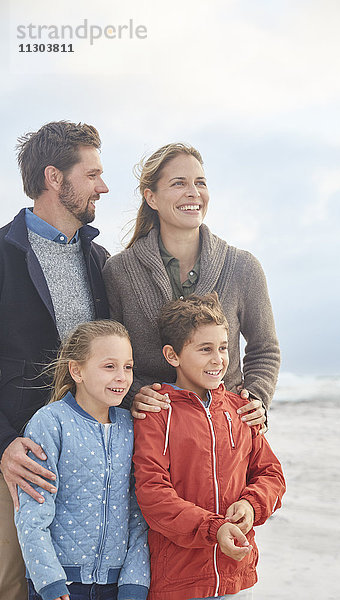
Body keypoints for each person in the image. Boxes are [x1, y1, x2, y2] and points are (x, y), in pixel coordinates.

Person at [0, 121, 109, 600]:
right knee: (10, 583)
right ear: (53, 177)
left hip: (90, 457)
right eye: (92, 175)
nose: (103, 187)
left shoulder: (100, 260)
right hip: (21, 459)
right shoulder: (2, 256)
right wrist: (4, 445)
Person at [103, 143, 280, 431]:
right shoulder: (120, 270)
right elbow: (108, 355)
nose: (194, 192)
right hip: (151, 433)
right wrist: (133, 394)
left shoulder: (243, 267)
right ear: (151, 197)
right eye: (179, 183)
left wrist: (256, 399)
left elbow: (265, 349)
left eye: (200, 182)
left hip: (226, 433)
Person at [133, 293, 285, 600]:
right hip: (179, 581)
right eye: (205, 349)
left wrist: (250, 505)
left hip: (237, 576)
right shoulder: (157, 413)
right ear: (172, 355)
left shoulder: (241, 409)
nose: (218, 359)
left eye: (223, 348)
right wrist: (213, 528)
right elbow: (152, 494)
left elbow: (271, 476)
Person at [15, 320, 150, 600]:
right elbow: (32, 513)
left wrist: (135, 585)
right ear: (76, 370)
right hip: (59, 586)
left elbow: (139, 513)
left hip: (116, 588)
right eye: (109, 366)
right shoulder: (50, 423)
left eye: (128, 367)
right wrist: (49, 582)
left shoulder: (133, 427)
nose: (122, 377)